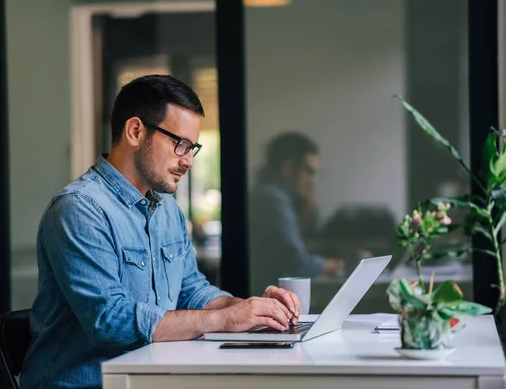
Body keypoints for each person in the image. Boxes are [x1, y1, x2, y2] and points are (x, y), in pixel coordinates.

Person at [20, 75, 301, 389]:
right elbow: (109, 321)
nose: (189, 161)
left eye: (192, 148)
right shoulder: (79, 209)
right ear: (135, 131)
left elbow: (192, 291)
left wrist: (250, 310)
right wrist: (223, 320)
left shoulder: (166, 210)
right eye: (180, 144)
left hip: (151, 378)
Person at [249, 132, 345, 294]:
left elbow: (298, 248)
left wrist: (307, 209)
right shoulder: (272, 199)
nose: (312, 181)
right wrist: (339, 265)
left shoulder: (275, 197)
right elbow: (297, 263)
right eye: (309, 171)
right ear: (287, 168)